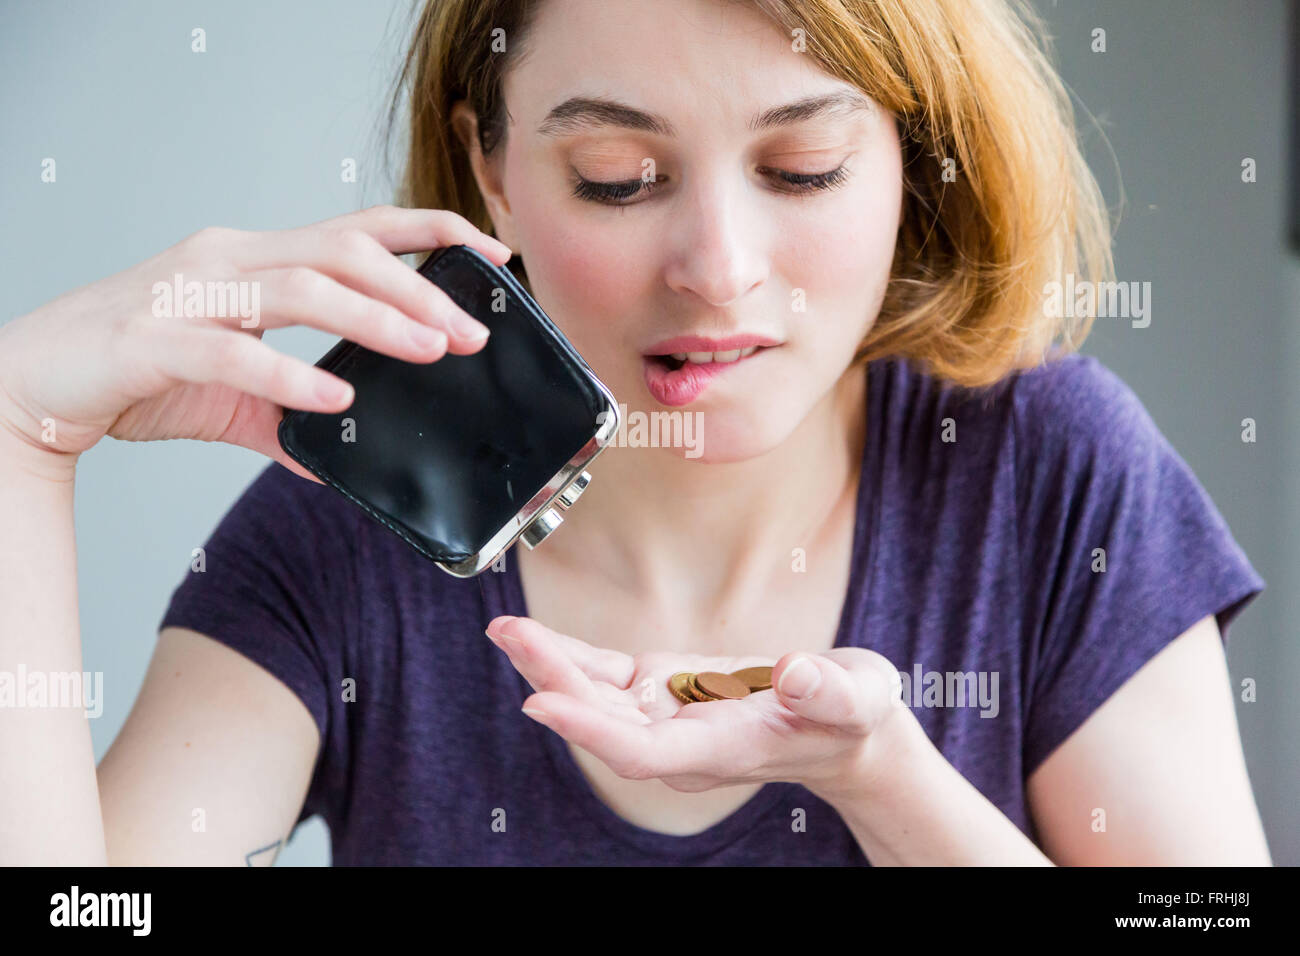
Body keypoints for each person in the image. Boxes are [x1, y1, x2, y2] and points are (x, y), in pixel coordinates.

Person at [0, 0, 1271, 866]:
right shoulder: (346, 526)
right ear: (490, 166)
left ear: (911, 159)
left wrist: (887, 781)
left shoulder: (1050, 474)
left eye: (805, 167)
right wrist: (19, 436)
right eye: (617, 175)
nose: (717, 270)